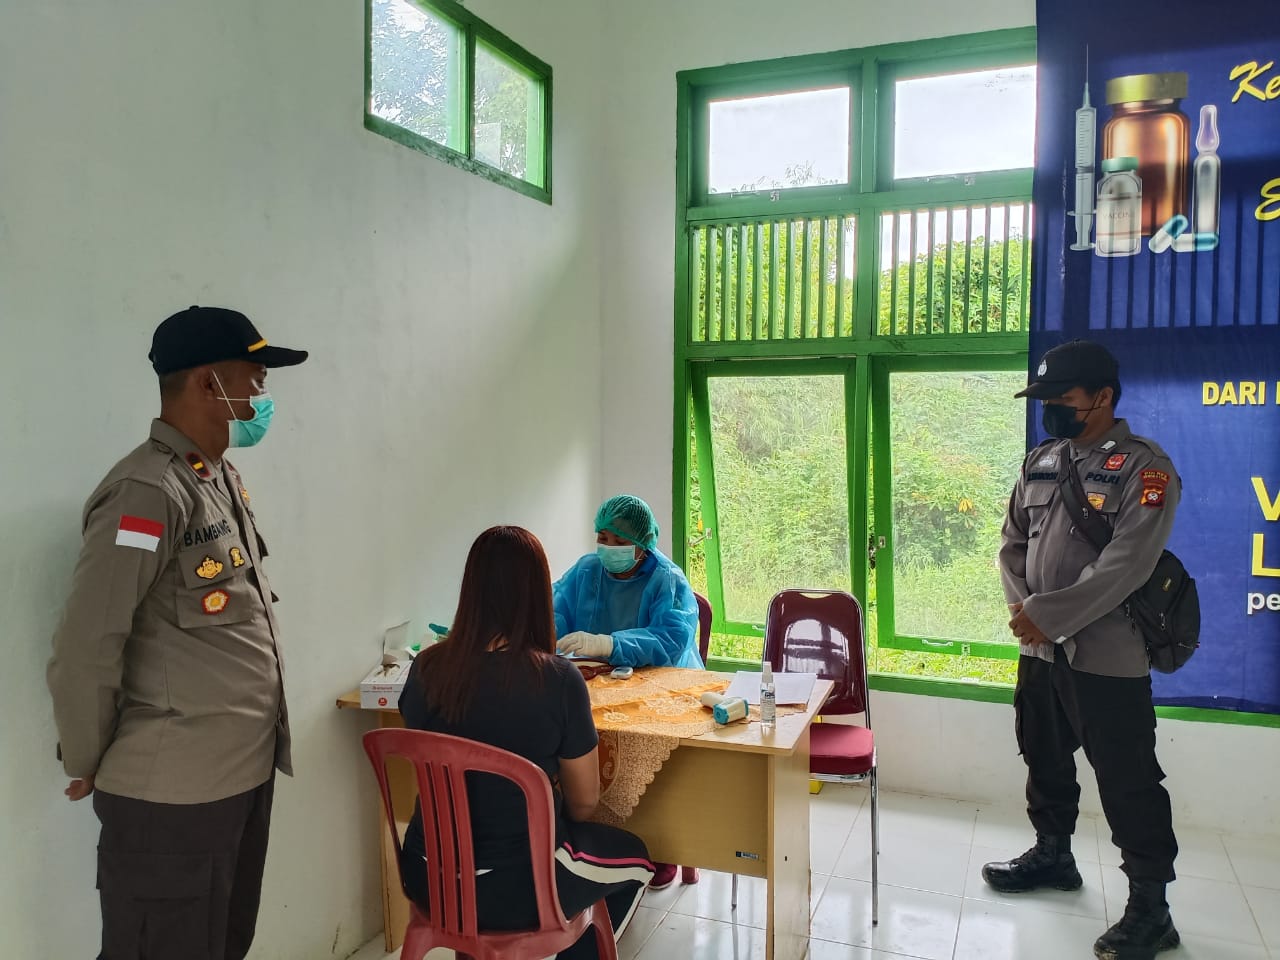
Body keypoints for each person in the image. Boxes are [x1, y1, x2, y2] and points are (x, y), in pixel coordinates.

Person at [46, 305, 306, 960]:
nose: (263, 395)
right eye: (255, 378)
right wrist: (85, 758)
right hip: (173, 796)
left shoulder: (215, 477)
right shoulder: (147, 492)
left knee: (223, 945)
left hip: (236, 776)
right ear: (207, 383)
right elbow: (88, 641)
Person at [987, 340, 1181, 960]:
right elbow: (1012, 543)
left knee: (1128, 778)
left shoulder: (1145, 468)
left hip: (1106, 655)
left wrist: (1047, 617)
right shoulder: (1042, 460)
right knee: (1042, 754)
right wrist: (1027, 614)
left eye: (1062, 399)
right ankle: (1053, 856)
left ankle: (1151, 907)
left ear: (1102, 397)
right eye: (1044, 399)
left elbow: (1128, 563)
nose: (1051, 410)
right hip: (1040, 652)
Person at [399, 526, 655, 958]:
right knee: (637, 858)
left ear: (470, 589)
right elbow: (584, 804)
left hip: (427, 877)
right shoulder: (557, 680)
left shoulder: (425, 668)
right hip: (518, 887)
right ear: (537, 594)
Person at [552, 494, 703, 891]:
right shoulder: (586, 570)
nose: (609, 549)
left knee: (652, 758)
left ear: (643, 543)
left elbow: (670, 639)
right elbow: (551, 610)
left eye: (620, 542)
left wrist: (608, 644)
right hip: (596, 686)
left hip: (661, 686)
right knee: (581, 741)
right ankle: (601, 839)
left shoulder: (666, 580)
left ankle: (663, 846)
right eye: (603, 538)